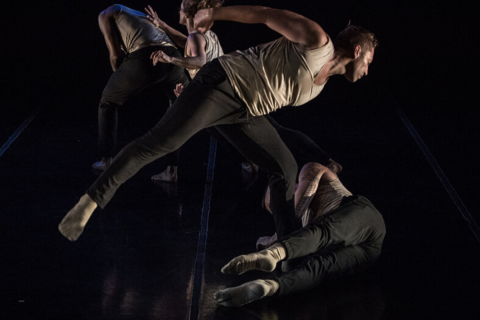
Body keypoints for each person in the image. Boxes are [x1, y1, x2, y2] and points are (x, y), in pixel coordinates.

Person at [58, 5, 378, 242]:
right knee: (159, 143)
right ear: (358, 50)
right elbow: (265, 14)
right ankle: (88, 203)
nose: (367, 70)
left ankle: (284, 243)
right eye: (369, 62)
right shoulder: (317, 40)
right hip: (222, 82)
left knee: (284, 168)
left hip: (245, 110)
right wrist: (215, 14)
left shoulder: (322, 83)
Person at [213, 162, 386, 307]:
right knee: (319, 268)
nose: (279, 208)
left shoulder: (310, 170)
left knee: (324, 231)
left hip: (364, 218)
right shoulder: (300, 227)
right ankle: (269, 287)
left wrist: (276, 238)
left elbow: (307, 193)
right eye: (273, 209)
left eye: (278, 200)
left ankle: (272, 254)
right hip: (368, 252)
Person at [93, 4, 190, 170]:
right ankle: (171, 171)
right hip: (173, 58)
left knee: (108, 101)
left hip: (147, 55)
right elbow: (185, 42)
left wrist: (120, 79)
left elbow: (115, 55)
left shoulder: (105, 14)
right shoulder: (134, 14)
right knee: (179, 110)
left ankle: (106, 160)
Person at [145, 0, 225, 182]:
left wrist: (170, 59)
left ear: (188, 14)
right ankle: (249, 162)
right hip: (218, 93)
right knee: (225, 130)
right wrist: (162, 25)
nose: (177, 10)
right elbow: (187, 43)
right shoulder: (205, 35)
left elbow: (200, 61)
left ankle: (171, 172)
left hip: (209, 96)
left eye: (180, 8)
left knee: (172, 123)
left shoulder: (195, 37)